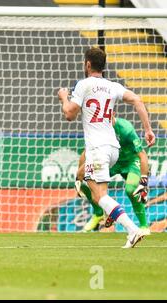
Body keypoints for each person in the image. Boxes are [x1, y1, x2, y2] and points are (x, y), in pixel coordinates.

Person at [58, 47, 155, 248]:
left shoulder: (83, 85)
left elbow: (69, 114)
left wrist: (63, 97)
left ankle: (132, 229)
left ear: (87, 64)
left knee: (100, 195)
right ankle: (113, 216)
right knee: (93, 188)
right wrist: (148, 129)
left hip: (98, 148)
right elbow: (137, 100)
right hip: (113, 148)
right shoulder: (112, 86)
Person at [75, 115, 150, 235]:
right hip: (112, 162)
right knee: (84, 180)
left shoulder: (126, 129)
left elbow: (142, 154)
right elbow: (87, 152)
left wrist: (144, 179)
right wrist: (78, 176)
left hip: (131, 162)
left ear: (112, 114)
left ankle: (144, 225)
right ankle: (99, 213)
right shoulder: (98, 129)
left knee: (131, 190)